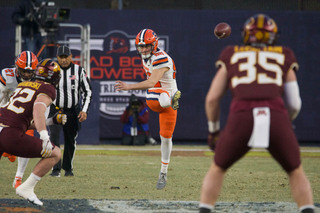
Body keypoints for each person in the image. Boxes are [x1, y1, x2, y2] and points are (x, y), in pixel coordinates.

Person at [199, 14, 315, 213]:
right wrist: (284, 122)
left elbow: (212, 98)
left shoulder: (231, 53)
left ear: (246, 35)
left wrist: (213, 130)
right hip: (275, 113)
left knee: (218, 167)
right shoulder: (283, 54)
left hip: (241, 114)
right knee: (295, 170)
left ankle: (205, 209)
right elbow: (295, 103)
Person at [115, 29, 181, 190]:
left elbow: (151, 82)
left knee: (166, 137)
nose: (143, 49)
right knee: (152, 98)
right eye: (141, 46)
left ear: (154, 44)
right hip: (160, 98)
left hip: (165, 95)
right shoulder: (148, 58)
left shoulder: (160, 58)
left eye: (146, 46)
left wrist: (129, 86)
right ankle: (170, 101)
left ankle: (163, 172)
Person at [0, 58, 62, 206]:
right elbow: (38, 109)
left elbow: (23, 120)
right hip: (10, 134)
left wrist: (52, 121)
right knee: (55, 153)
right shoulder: (48, 89)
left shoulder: (24, 84)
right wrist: (44, 135)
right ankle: (26, 188)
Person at [49, 45, 92, 177]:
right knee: (54, 138)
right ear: (57, 57)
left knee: (70, 139)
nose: (63, 60)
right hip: (55, 108)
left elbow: (87, 91)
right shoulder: (51, 70)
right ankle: (55, 169)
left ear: (71, 56)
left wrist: (84, 110)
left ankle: (68, 168)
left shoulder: (79, 71)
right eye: (61, 57)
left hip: (72, 110)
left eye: (66, 57)